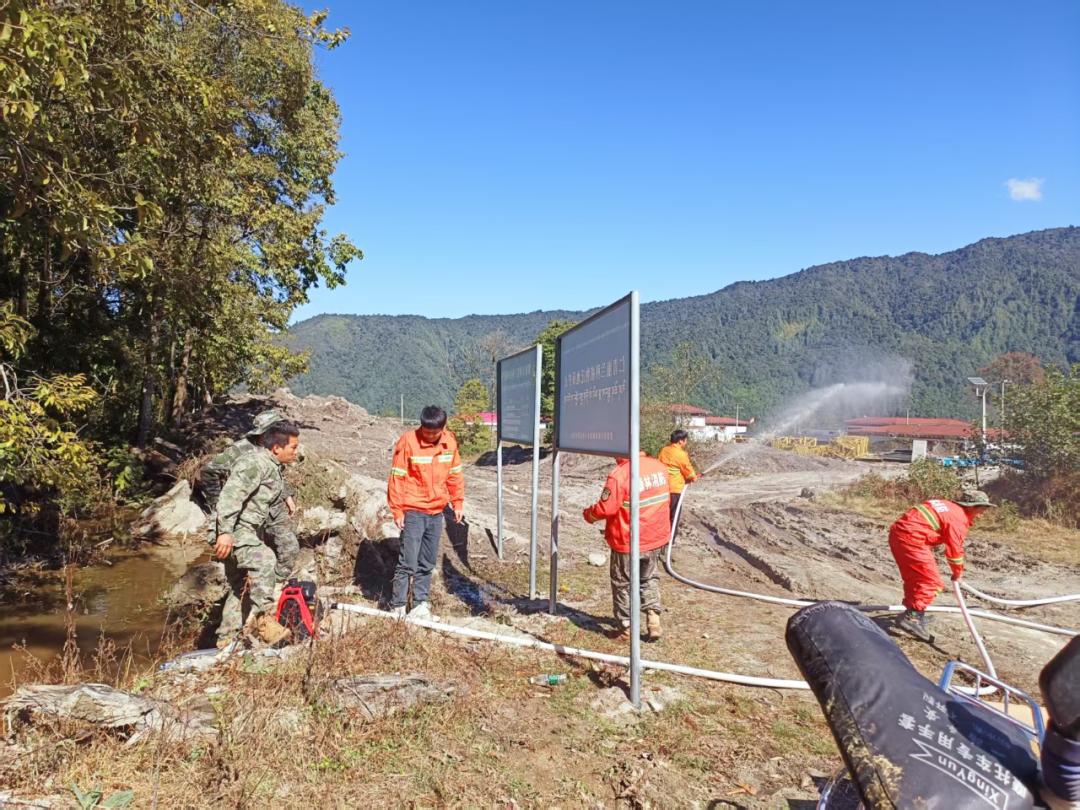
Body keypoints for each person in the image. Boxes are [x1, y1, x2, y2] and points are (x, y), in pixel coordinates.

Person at [213, 421, 302, 646]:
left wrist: (286, 497)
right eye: (293, 447)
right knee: (265, 560)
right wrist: (225, 532)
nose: (296, 452)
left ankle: (226, 639)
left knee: (239, 585)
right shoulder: (254, 463)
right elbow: (231, 496)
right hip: (235, 530)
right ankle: (264, 622)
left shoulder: (272, 465)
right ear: (277, 448)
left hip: (246, 530)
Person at [200, 409, 299, 586]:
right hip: (245, 512)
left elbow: (276, 475)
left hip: (271, 508)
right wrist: (217, 503)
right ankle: (253, 588)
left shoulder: (275, 448)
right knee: (249, 560)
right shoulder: (241, 450)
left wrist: (287, 496)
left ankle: (273, 584)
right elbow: (209, 471)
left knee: (289, 546)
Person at [582, 452, 671, 642]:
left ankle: (625, 628)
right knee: (649, 577)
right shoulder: (658, 467)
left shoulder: (620, 474)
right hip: (655, 537)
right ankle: (653, 619)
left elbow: (606, 508)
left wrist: (589, 515)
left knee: (622, 583)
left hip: (627, 539)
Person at [386, 405, 464, 619]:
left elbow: (455, 475)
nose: (429, 436)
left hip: (436, 512)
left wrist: (457, 502)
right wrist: (397, 510)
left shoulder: (449, 442)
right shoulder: (408, 441)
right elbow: (397, 478)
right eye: (426, 431)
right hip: (413, 510)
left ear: (443, 428)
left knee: (427, 562)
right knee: (407, 562)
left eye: (434, 433)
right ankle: (398, 606)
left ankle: (420, 605)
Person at [888, 490, 995, 641]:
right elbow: (954, 550)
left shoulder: (947, 506)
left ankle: (916, 613)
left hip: (899, 535)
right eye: (981, 510)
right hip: (912, 540)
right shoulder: (957, 518)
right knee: (931, 583)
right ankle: (912, 617)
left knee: (916, 578)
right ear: (971, 507)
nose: (981, 515)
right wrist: (957, 573)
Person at [658, 429, 698, 528]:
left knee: (665, 515)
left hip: (663, 487)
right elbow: (688, 471)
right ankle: (672, 536)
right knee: (674, 515)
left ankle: (664, 534)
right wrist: (693, 477)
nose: (686, 442)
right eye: (686, 440)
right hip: (675, 489)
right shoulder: (681, 454)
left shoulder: (664, 450)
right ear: (680, 441)